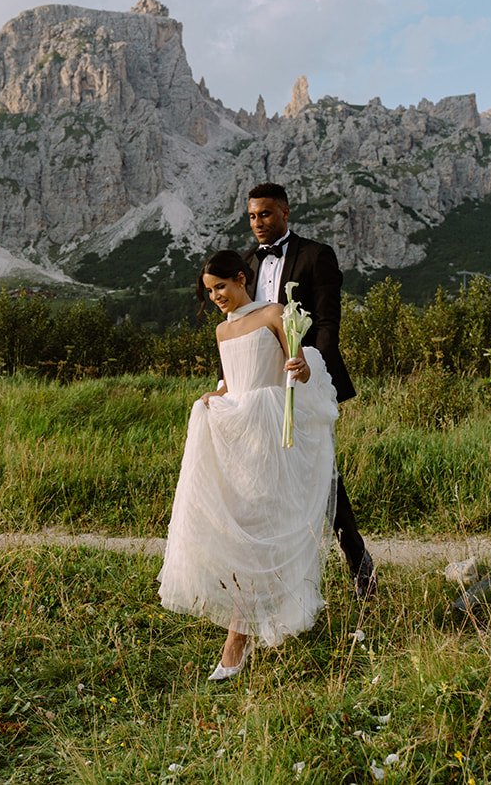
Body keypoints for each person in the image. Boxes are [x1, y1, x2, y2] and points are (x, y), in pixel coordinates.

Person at [157, 249, 339, 680]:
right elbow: (230, 384)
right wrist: (211, 399)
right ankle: (253, 621)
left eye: (221, 286)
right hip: (237, 433)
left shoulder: (276, 313)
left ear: (241, 278)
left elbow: (302, 367)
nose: (217, 296)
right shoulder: (222, 331)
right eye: (210, 291)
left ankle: (237, 638)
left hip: (273, 430)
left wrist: (302, 368)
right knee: (238, 529)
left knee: (263, 526)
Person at [243, 181, 377, 599]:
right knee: (265, 478)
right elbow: (239, 326)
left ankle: (359, 565)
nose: (258, 223)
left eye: (265, 214)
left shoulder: (316, 255)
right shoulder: (247, 262)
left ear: (285, 212)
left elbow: (326, 322)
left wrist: (311, 369)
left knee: (321, 472)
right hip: (260, 386)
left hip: (306, 377)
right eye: (251, 216)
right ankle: (276, 577)